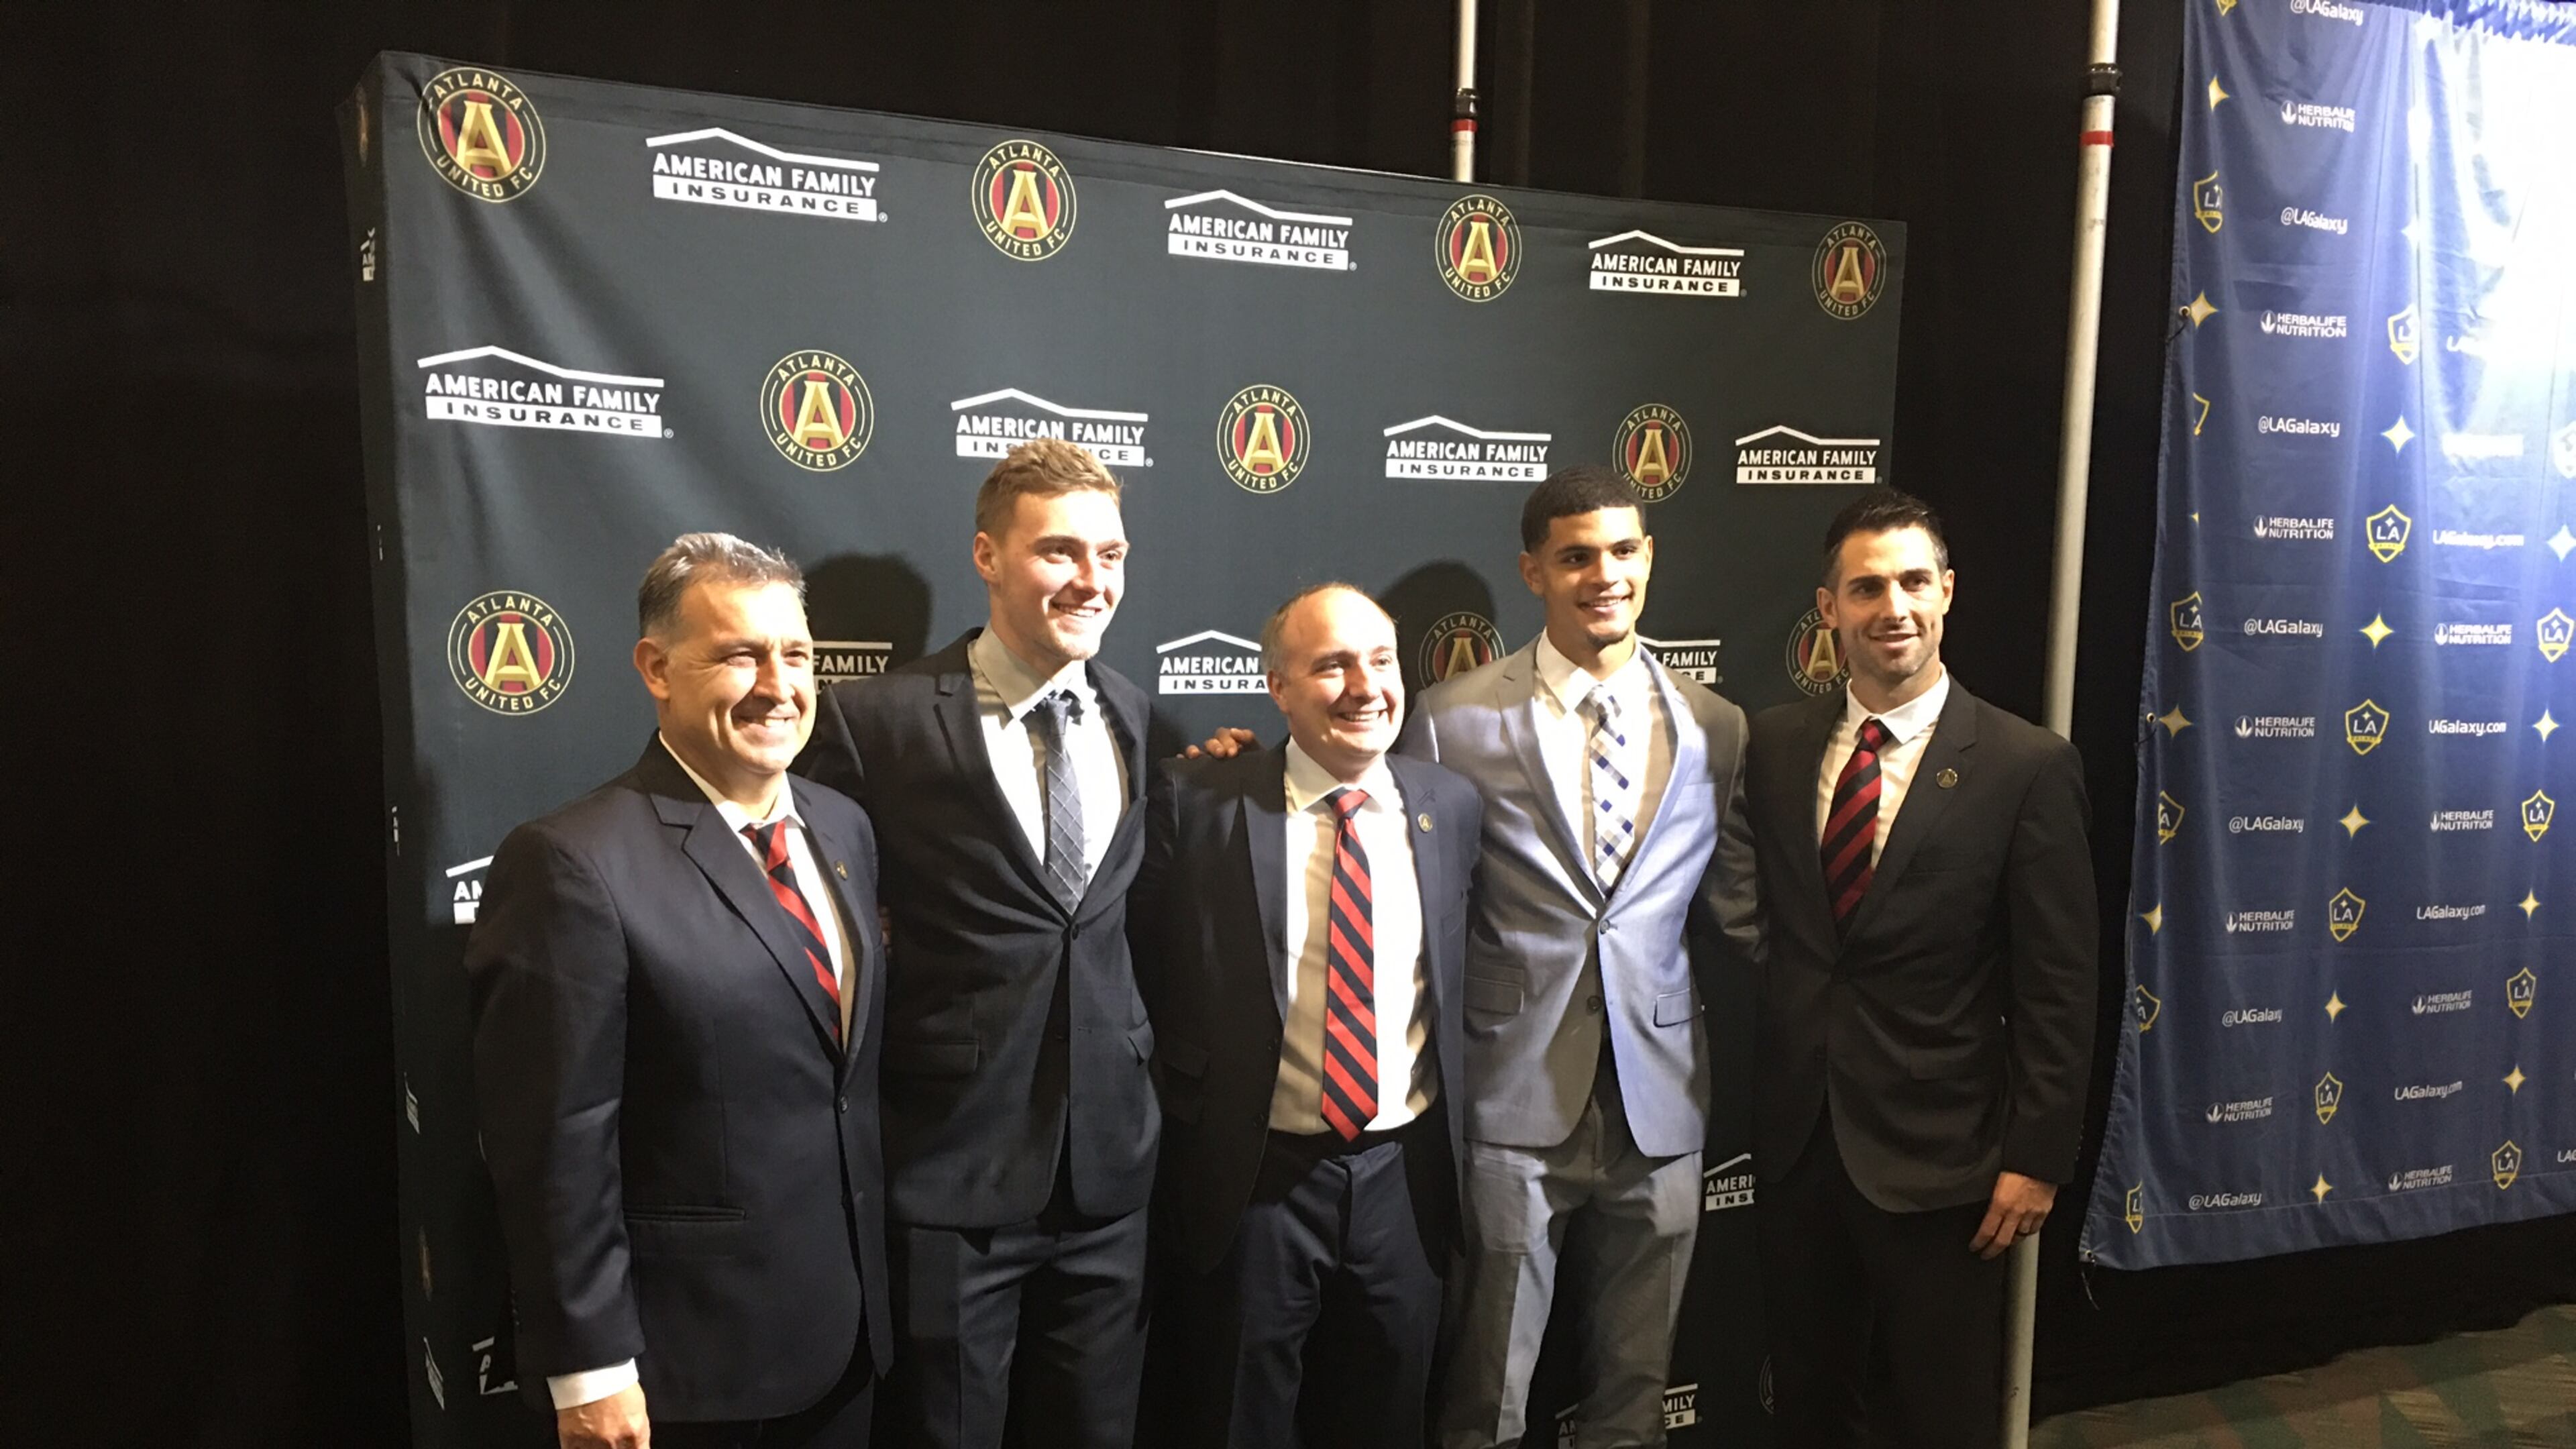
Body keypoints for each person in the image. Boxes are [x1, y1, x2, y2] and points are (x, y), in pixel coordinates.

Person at [466, 533, 890, 1449]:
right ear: (657, 668)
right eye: (739, 654)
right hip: (683, 1378)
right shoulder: (572, 864)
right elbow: (553, 1148)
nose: (779, 684)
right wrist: (589, 1371)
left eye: (797, 653)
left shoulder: (844, 827)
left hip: (846, 1343)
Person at [795, 437, 1157, 1449]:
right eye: (1059, 552)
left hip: (1111, 1181)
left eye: (1112, 555)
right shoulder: (880, 719)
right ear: (988, 557)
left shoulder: (1132, 713)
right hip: (951, 1175)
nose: (1092, 579)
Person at [1744, 487, 2096, 1448]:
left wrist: (2037, 1156)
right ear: (1828, 610)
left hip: (1947, 1163)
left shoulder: (2026, 765)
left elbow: (2060, 984)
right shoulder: (1773, 747)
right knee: (1810, 1404)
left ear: (1946, 592)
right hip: (1801, 1149)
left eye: (1910, 582)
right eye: (1865, 588)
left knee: (1941, 1413)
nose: (1890, 607)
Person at [1131, 584, 1484, 1448]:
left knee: (1385, 1417)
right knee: (1237, 1419)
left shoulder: (1453, 806)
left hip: (1406, 1180)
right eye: (1331, 665)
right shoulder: (1200, 800)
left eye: (1380, 660)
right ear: (1277, 687)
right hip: (1255, 1182)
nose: (1366, 686)